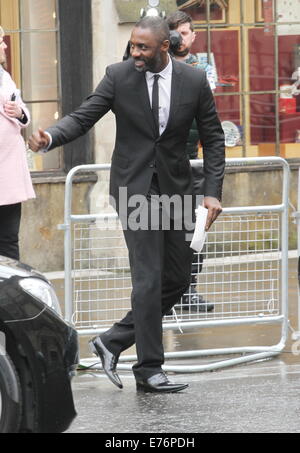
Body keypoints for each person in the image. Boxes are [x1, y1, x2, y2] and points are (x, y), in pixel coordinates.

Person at [28, 17, 225, 393]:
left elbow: (214, 139)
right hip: (135, 190)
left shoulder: (193, 81)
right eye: (133, 45)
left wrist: (212, 191)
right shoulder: (119, 76)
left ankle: (113, 340)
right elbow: (84, 117)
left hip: (177, 190)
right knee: (149, 278)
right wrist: (50, 137)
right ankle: (149, 369)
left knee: (179, 279)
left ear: (164, 46)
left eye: (142, 48)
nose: (134, 52)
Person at [167, 11, 216, 313]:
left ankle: (189, 289)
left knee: (196, 230)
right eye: (175, 33)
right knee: (163, 228)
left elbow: (209, 119)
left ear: (193, 35)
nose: (181, 38)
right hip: (164, 162)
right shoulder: (159, 68)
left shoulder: (203, 70)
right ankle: (166, 292)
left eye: (186, 32)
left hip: (193, 161)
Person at [0, 26, 35, 261]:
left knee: (9, 241)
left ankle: (11, 294)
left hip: (9, 175)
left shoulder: (5, 76)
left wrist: (19, 112)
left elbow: (23, 112)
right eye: (0, 41)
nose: (4, 46)